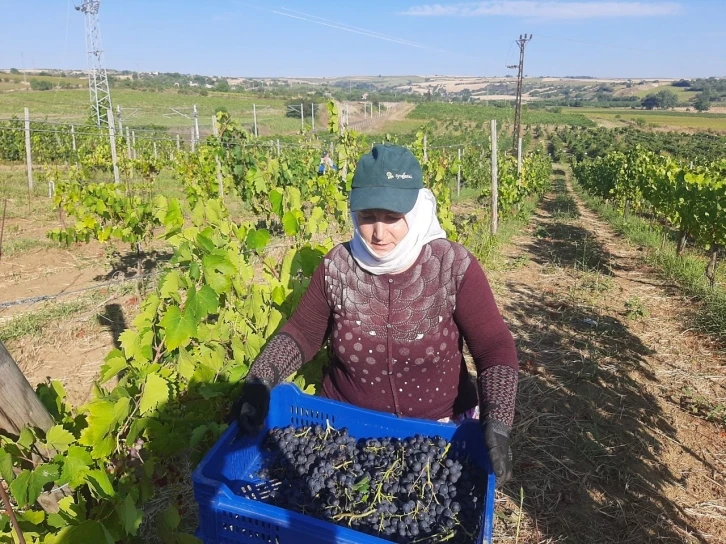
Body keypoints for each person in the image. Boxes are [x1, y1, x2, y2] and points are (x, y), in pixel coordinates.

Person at [237, 144, 518, 484]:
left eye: (392, 217)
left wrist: (498, 420)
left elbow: (493, 346)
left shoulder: (453, 267)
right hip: (344, 434)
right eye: (367, 217)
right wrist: (260, 379)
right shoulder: (337, 267)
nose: (379, 232)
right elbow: (302, 333)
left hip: (437, 436)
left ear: (415, 211)